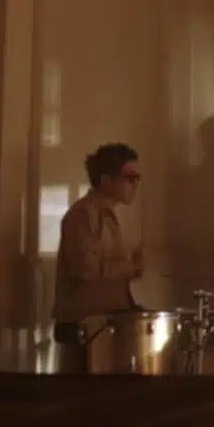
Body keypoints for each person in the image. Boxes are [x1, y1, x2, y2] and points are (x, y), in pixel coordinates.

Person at [52, 143, 144, 372]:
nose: (135, 185)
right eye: (129, 178)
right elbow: (86, 269)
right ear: (106, 180)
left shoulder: (112, 216)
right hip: (84, 328)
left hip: (104, 326)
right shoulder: (82, 215)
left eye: (138, 178)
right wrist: (130, 267)